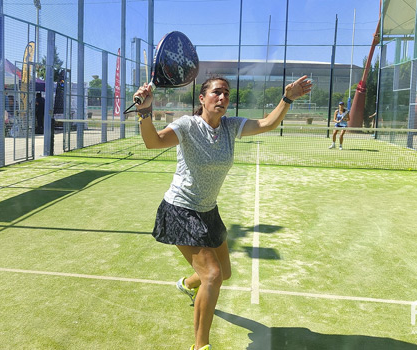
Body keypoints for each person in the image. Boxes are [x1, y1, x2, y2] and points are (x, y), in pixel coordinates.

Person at [133, 75, 312, 350]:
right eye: (216, 92)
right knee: (213, 275)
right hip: (181, 209)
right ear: (202, 98)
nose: (223, 98)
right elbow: (153, 142)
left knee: (224, 273)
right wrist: (145, 112)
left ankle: (187, 283)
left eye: (226, 94)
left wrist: (287, 98)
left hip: (208, 211)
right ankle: (200, 346)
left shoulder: (230, 127)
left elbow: (268, 123)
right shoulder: (187, 125)